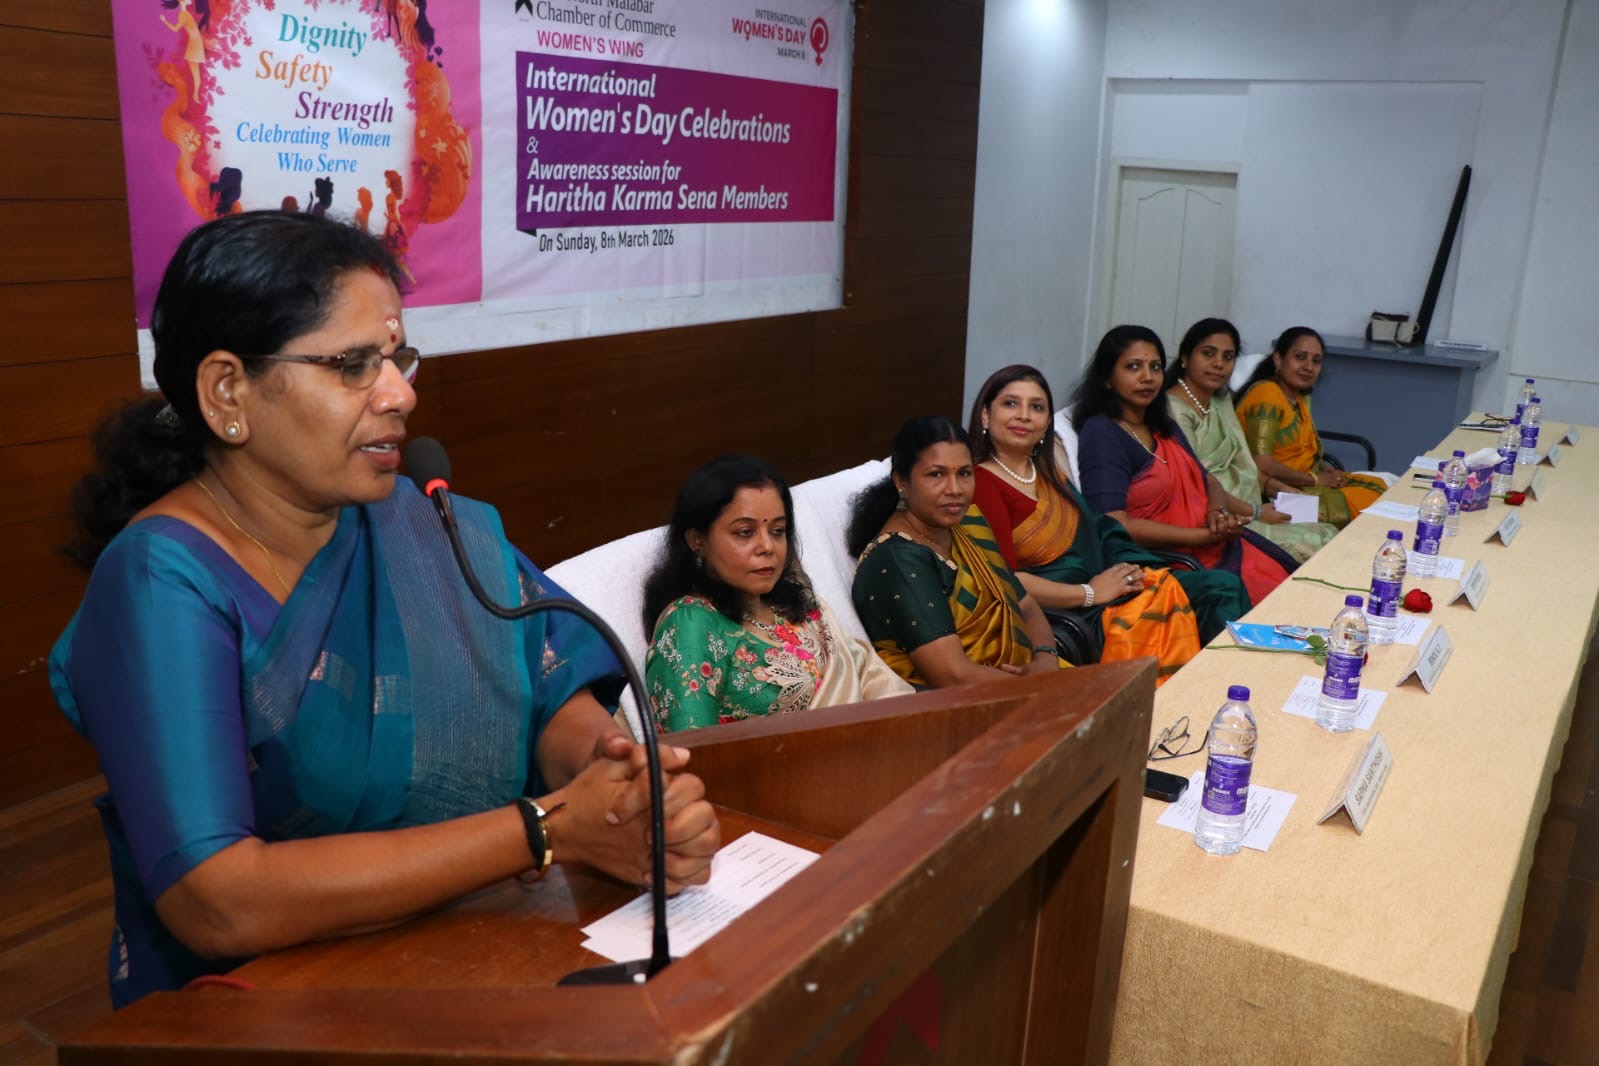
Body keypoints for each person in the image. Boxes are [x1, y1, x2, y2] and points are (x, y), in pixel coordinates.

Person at [49, 212, 719, 1006]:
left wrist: (614, 785)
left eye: (397, 358)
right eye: (352, 365)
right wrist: (544, 829)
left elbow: (542, 689)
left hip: (482, 943)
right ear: (228, 390)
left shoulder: (420, 524)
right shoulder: (160, 579)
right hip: (271, 1004)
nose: (400, 394)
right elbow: (217, 898)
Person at [968, 365, 1250, 682]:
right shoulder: (982, 484)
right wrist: (1090, 592)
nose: (1023, 415)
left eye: (1036, 407)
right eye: (1010, 403)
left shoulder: (1049, 474)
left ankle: (1226, 688)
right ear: (985, 415)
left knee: (1222, 587)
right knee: (1208, 595)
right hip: (1065, 611)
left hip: (1106, 585)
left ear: (1046, 422)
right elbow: (1006, 582)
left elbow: (1100, 531)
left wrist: (1130, 571)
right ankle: (1193, 695)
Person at [643, 456, 913, 731]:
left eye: (777, 531)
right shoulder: (689, 622)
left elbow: (869, 677)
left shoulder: (800, 605)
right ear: (697, 541)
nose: (767, 546)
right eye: (745, 532)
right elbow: (692, 746)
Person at [1072, 325, 1297, 606]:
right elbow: (1113, 524)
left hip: (1210, 547)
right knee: (1264, 600)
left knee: (1290, 587)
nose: (1147, 377)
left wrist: (1216, 514)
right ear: (1107, 378)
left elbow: (1207, 479)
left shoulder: (1160, 425)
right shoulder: (1102, 433)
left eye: (1155, 367)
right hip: (1157, 565)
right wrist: (1201, 536)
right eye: (1133, 367)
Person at [846, 416, 1063, 688]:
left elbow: (1027, 607)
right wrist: (1041, 687)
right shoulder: (897, 559)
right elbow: (953, 676)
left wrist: (1046, 658)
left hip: (1028, 681)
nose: (955, 490)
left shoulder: (968, 525)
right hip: (969, 704)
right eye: (936, 474)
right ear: (902, 481)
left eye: (964, 473)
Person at [1165, 318, 1339, 562]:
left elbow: (1244, 463)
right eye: (1208, 353)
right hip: (1214, 515)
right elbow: (1196, 484)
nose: (1218, 364)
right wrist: (1256, 512)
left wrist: (1281, 490)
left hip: (1250, 502)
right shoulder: (1173, 408)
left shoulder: (1220, 399)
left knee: (1328, 532)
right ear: (1185, 357)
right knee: (1316, 546)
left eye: (1228, 357)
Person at [1234, 326, 1385, 527]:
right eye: (1300, 357)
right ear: (1278, 359)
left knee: (1380, 488)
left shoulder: (1297, 397)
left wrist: (1326, 471)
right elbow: (1262, 463)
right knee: (1373, 505)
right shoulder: (1267, 394)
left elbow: (1301, 450)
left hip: (1304, 481)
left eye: (1316, 361)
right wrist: (1314, 479)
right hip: (1278, 492)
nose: (1308, 367)